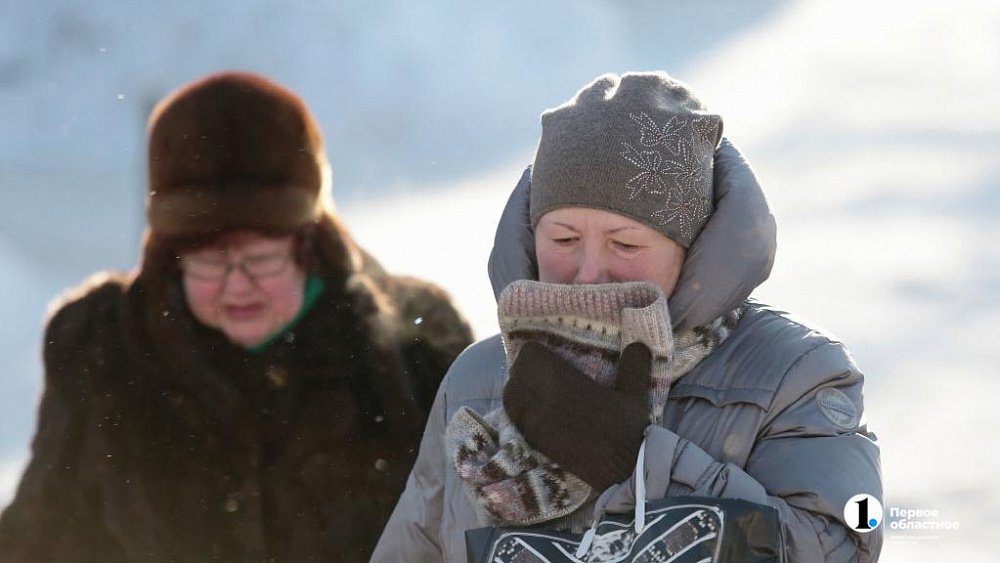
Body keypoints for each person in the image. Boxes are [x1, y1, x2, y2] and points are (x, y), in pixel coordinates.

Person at [372, 72, 883, 562]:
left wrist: (638, 464)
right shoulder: (477, 378)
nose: (590, 273)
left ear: (694, 246)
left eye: (626, 243)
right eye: (564, 239)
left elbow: (841, 544)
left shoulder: (795, 374)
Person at [0, 71, 473, 562]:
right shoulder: (105, 352)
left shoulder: (412, 348)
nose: (237, 285)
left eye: (261, 258)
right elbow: (45, 532)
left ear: (306, 247)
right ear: (171, 258)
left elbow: (479, 526)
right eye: (211, 262)